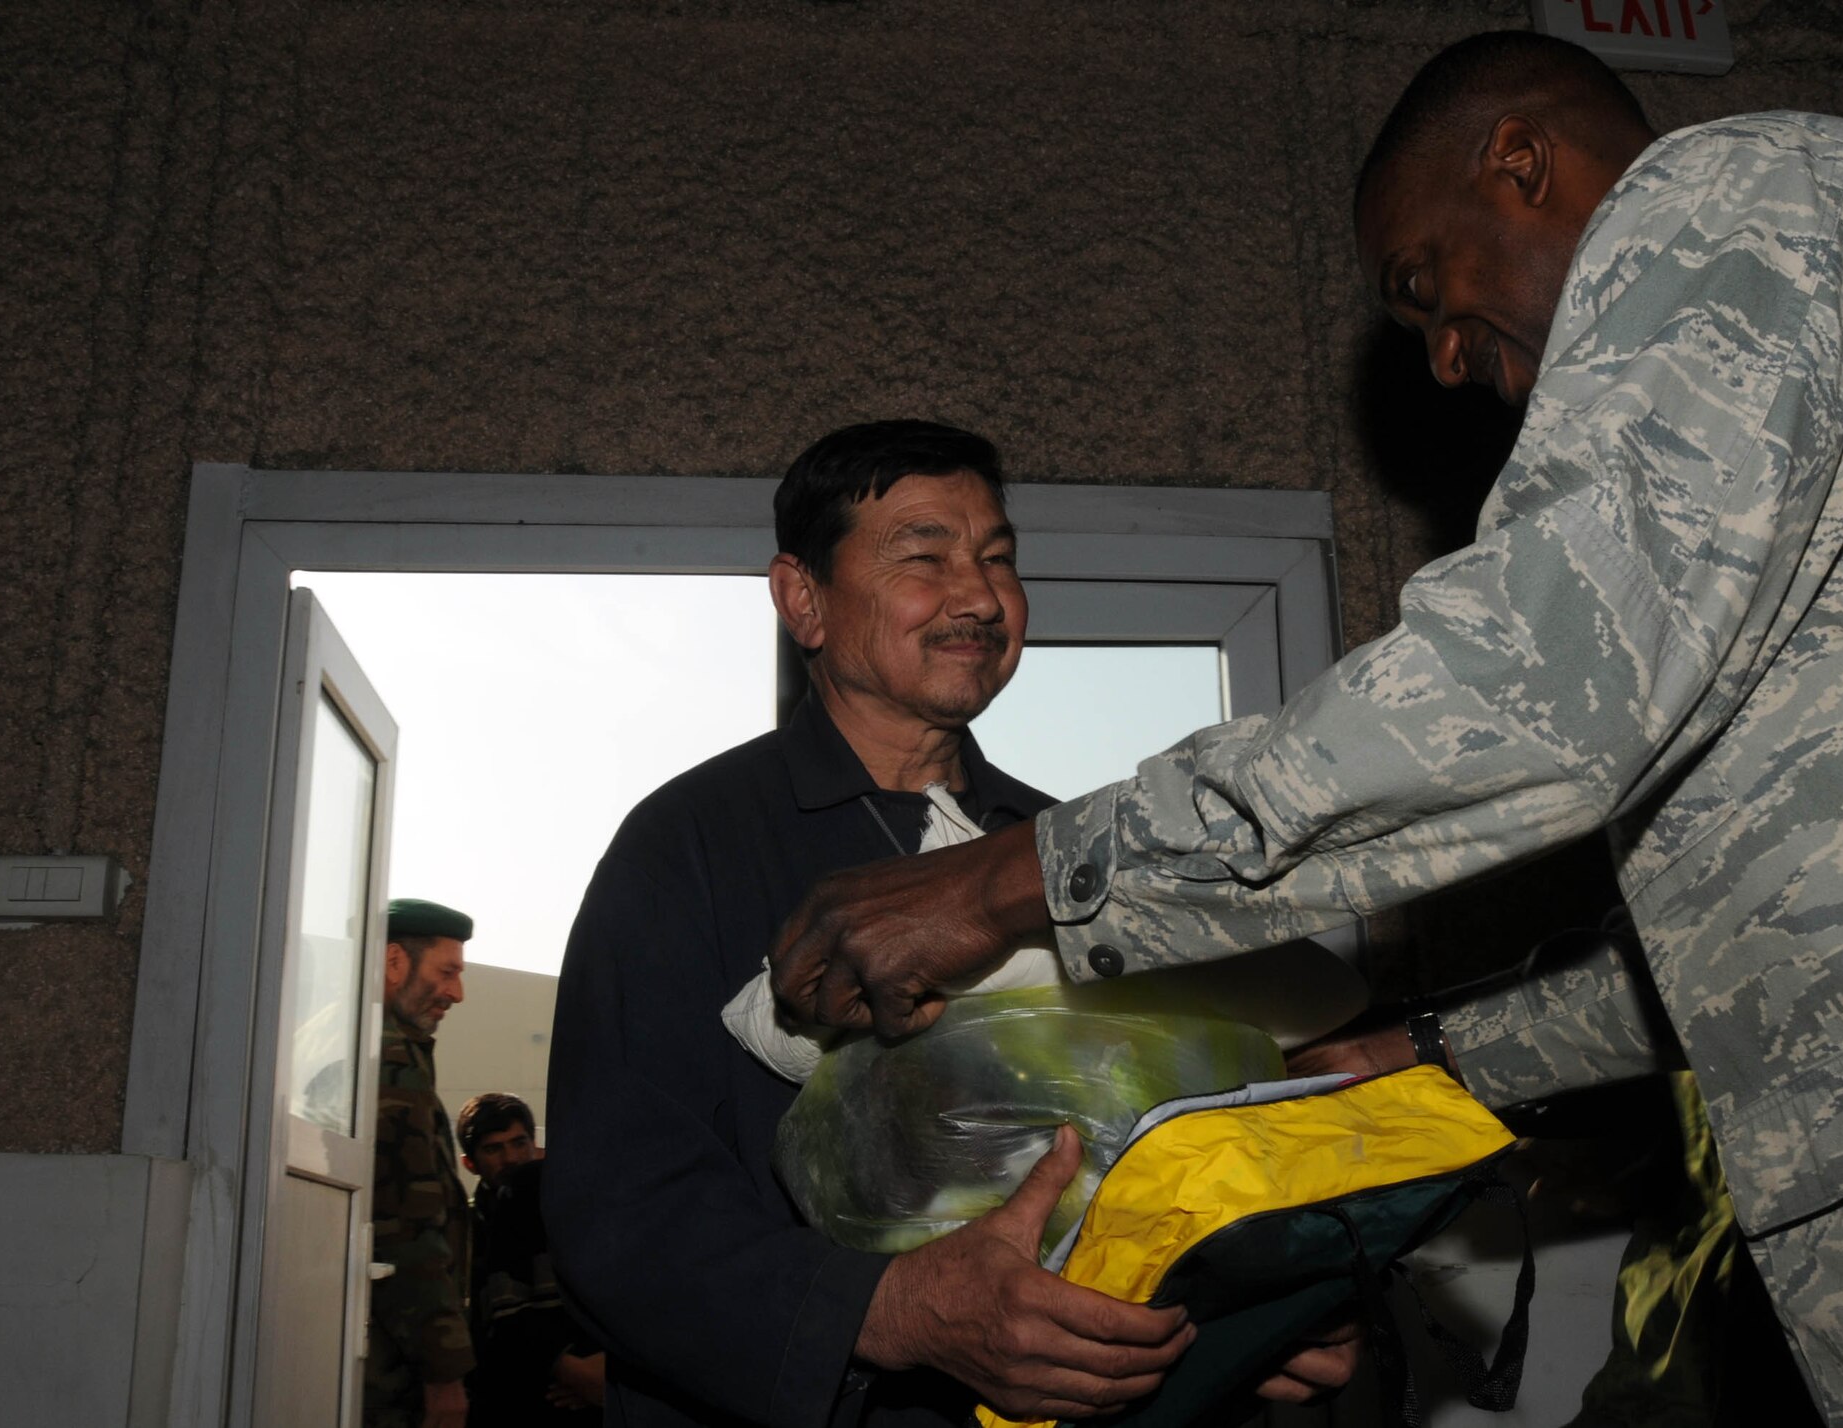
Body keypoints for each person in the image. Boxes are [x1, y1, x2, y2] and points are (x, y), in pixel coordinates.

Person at [767, 35, 1843, 1428]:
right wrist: (1437, 1054)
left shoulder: (1735, 201)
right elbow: (1785, 922)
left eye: (1426, 292)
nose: (1450, 360)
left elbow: (1535, 686)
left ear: (1519, 162)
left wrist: (1012, 880)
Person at [543, 420, 1348, 1428]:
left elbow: (1182, 1138)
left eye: (998, 559)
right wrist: (889, 1314)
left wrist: (1257, 1307)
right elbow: (620, 1213)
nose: (979, 597)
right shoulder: (688, 846)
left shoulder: (1055, 856)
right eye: (924, 556)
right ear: (803, 598)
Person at [369, 898, 475, 1428]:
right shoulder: (389, 1057)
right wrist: (445, 1375)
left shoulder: (342, 1039)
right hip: (389, 1375)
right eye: (447, 972)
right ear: (393, 962)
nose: (456, 993)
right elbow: (407, 1229)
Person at [457, 1093, 604, 1427]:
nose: (511, 1157)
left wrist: (597, 1377)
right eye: (494, 1148)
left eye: (519, 1142)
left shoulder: (574, 1207)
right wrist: (564, 1368)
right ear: (470, 1162)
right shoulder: (464, 1229)